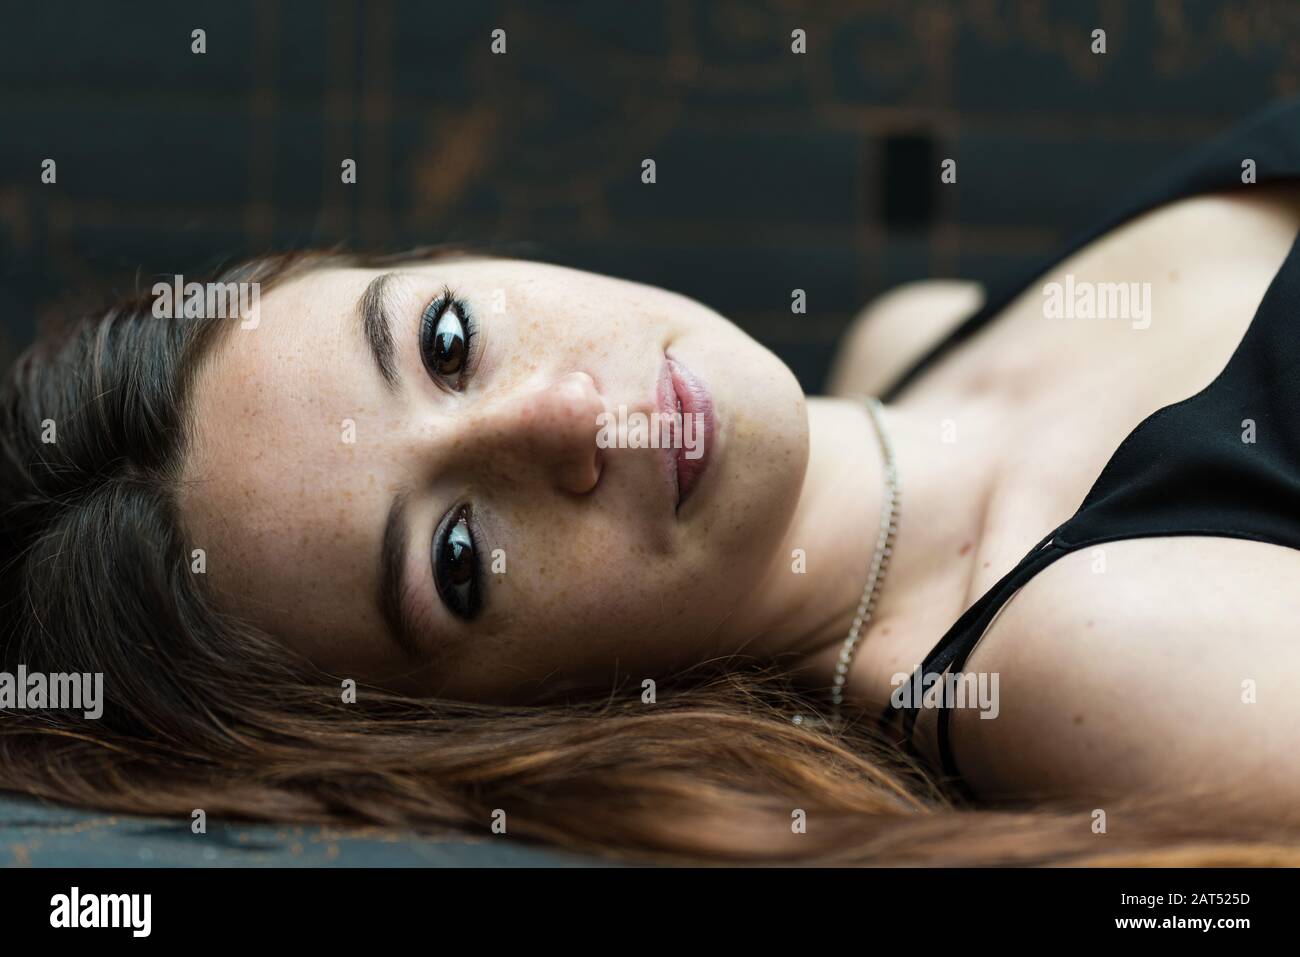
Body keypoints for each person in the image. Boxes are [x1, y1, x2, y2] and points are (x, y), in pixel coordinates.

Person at [5, 98, 1300, 866]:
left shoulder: (915, 342)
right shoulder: (1095, 651)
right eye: (459, 559)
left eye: (446, 340)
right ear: (505, 719)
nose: (570, 415)